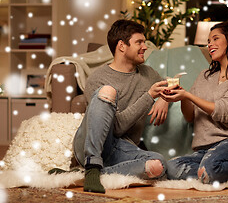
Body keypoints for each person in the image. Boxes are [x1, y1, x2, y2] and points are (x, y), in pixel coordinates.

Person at [71, 19, 169, 193]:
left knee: (158, 165)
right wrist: (150, 96)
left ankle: (84, 175)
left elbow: (169, 83)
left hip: (122, 149)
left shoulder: (148, 73)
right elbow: (115, 127)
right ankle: (92, 164)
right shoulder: (98, 78)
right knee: (108, 92)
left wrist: (164, 99)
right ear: (122, 46)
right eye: (139, 42)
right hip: (94, 144)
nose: (145, 47)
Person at [160, 21, 228, 184]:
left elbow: (226, 112)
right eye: (208, 41)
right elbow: (190, 117)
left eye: (215, 39)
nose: (210, 44)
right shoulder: (204, 76)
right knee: (171, 167)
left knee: (211, 169)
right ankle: (216, 172)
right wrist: (183, 97)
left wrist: (189, 95)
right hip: (205, 147)